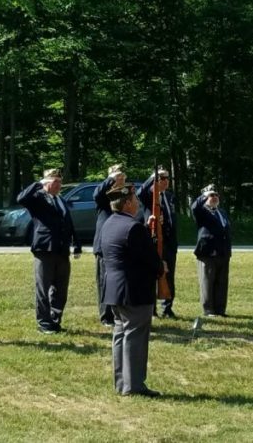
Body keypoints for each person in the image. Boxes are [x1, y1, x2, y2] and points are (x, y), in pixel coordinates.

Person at [100, 182, 165, 397]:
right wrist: (160, 267)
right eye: (135, 200)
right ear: (127, 203)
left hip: (115, 291)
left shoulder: (110, 223)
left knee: (121, 336)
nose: (137, 203)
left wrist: (147, 229)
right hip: (134, 291)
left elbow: (129, 248)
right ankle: (134, 385)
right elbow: (148, 258)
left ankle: (122, 383)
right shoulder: (133, 227)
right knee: (135, 338)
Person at [17, 168, 82, 334]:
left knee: (61, 288)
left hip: (62, 249)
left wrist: (77, 243)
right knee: (43, 287)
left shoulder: (60, 200)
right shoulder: (38, 198)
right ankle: (43, 322)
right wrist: (38, 184)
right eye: (55, 182)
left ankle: (55, 318)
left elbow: (68, 222)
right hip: (45, 249)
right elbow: (21, 198)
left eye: (60, 182)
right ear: (46, 183)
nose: (59, 185)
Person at [139, 165, 178, 318]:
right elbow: (139, 192)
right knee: (152, 275)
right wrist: (152, 178)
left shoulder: (169, 197)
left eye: (167, 178)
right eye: (162, 178)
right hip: (154, 241)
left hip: (169, 242)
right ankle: (152, 309)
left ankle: (167, 308)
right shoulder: (149, 195)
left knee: (169, 275)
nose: (166, 181)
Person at [191, 183, 232, 317]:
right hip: (207, 252)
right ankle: (208, 310)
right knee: (207, 281)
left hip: (223, 252)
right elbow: (194, 207)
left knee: (221, 282)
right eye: (211, 195)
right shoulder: (202, 211)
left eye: (216, 195)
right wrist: (204, 195)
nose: (214, 197)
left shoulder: (222, 212)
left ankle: (220, 309)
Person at [93, 163, 126, 325]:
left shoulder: (124, 195)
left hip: (120, 245)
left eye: (122, 177)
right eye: (117, 177)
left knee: (118, 279)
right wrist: (110, 179)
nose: (120, 180)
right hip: (104, 244)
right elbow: (97, 194)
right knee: (104, 280)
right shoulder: (103, 197)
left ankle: (118, 312)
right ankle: (106, 316)